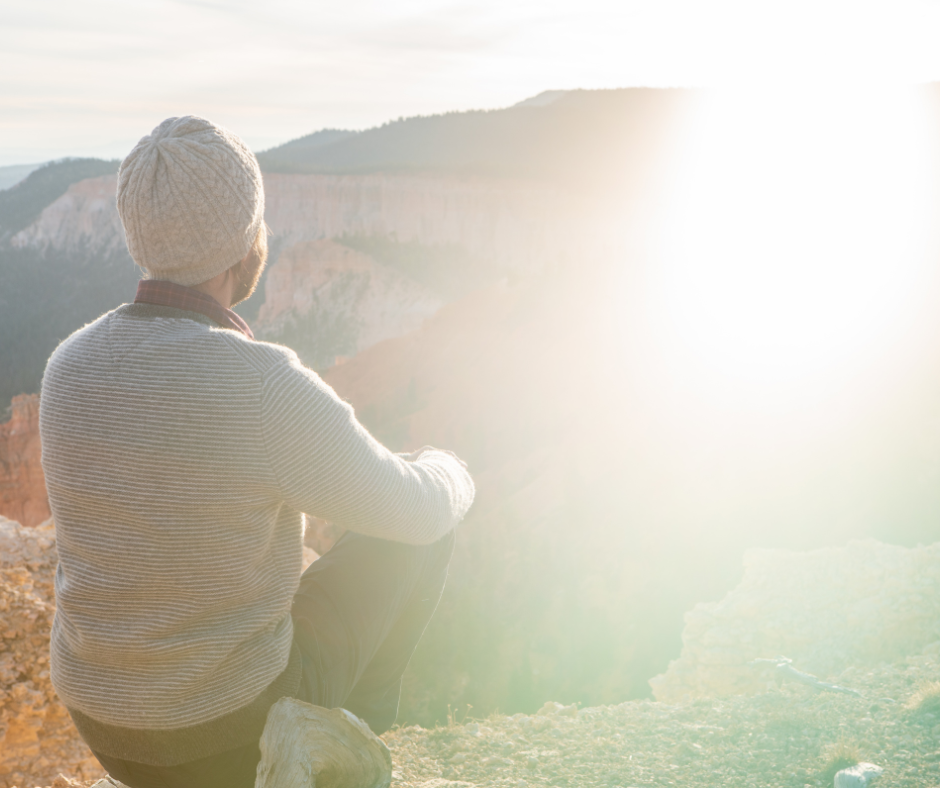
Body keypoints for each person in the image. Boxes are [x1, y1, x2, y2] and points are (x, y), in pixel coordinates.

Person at [38, 116, 475, 788]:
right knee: (422, 535)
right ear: (249, 241)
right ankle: (345, 749)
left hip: (101, 724)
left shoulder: (67, 365)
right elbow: (414, 512)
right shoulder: (263, 385)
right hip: (224, 733)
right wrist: (450, 468)